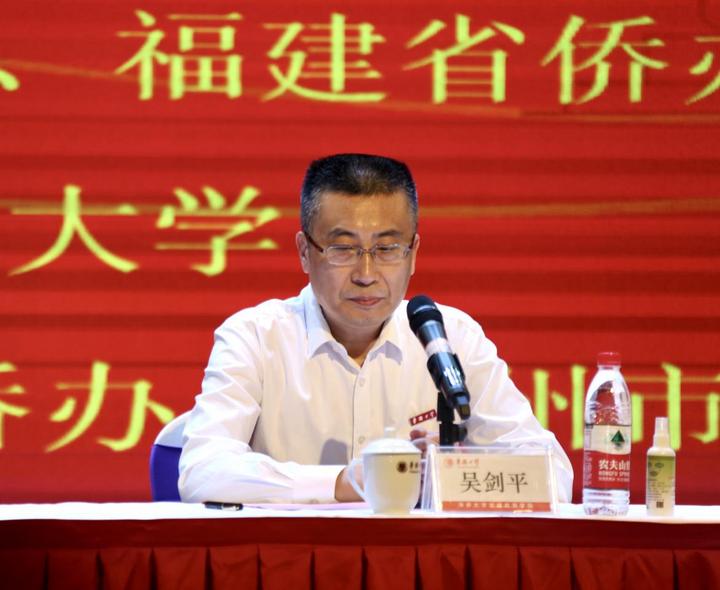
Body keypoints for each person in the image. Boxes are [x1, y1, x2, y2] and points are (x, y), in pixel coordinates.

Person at [178, 153, 573, 504]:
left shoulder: (451, 338)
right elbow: (202, 469)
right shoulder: (254, 337)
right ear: (304, 252)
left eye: (387, 249)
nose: (366, 274)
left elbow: (553, 474)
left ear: (413, 254)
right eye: (343, 249)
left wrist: (458, 471)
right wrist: (345, 482)